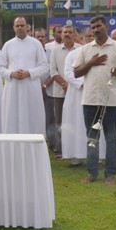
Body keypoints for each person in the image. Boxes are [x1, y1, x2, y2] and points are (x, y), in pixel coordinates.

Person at [73, 15, 116, 185]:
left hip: (110, 101)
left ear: (106, 26)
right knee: (92, 138)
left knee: (111, 138)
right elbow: (76, 73)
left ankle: (110, 174)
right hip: (90, 100)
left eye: (99, 26)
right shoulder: (85, 49)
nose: (96, 29)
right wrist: (91, 62)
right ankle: (92, 173)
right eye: (93, 27)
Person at [0, 16, 49, 134]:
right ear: (13, 28)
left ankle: (33, 143)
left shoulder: (36, 44)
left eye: (22, 25)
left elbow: (44, 66)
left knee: (32, 116)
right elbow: (0, 67)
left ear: (27, 27)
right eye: (17, 26)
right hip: (12, 88)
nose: (20, 28)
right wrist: (11, 73)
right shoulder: (8, 45)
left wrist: (29, 73)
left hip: (31, 87)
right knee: (12, 116)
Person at [62, 28, 102, 167]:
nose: (91, 38)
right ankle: (76, 156)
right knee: (76, 123)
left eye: (93, 35)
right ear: (81, 37)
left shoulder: (102, 53)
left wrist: (93, 84)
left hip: (96, 94)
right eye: (88, 35)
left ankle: (98, 157)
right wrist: (84, 84)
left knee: (96, 124)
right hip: (76, 94)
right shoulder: (73, 54)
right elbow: (68, 73)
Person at [49, 25, 79, 158]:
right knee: (60, 121)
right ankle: (60, 149)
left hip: (77, 91)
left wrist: (72, 84)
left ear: (74, 34)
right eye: (64, 32)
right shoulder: (55, 51)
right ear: (61, 35)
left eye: (70, 32)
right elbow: (53, 71)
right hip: (60, 92)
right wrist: (64, 84)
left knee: (76, 120)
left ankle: (76, 148)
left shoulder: (81, 49)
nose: (67, 34)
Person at [35, 28, 57, 150]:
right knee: (36, 116)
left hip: (48, 89)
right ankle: (37, 140)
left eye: (42, 37)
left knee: (50, 117)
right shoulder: (31, 52)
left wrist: (44, 85)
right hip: (33, 90)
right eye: (37, 37)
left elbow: (53, 71)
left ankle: (51, 143)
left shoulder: (51, 52)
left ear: (46, 38)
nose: (40, 39)